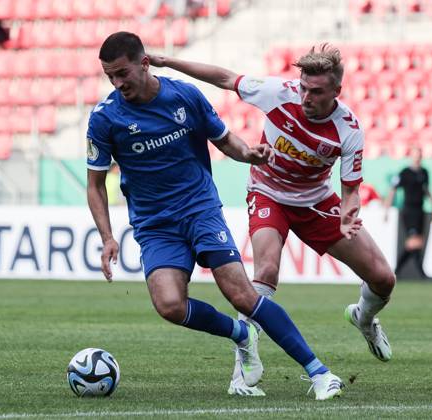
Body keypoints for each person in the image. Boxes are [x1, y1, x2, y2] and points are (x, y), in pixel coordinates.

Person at [86, 31, 345, 400]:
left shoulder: (185, 97)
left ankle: (320, 372)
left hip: (199, 209)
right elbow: (95, 185)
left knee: (242, 294)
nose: (117, 82)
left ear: (144, 63)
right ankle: (241, 335)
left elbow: (225, 140)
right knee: (170, 305)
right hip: (154, 224)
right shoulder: (104, 118)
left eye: (123, 73)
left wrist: (249, 154)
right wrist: (108, 237)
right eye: (110, 76)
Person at [149, 43, 396, 396]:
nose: (307, 97)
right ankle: (241, 372)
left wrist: (347, 214)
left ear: (336, 92)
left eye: (317, 91)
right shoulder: (278, 93)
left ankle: (364, 318)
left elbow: (351, 189)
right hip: (268, 194)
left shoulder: (349, 130)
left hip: (316, 202)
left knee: (383, 279)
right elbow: (224, 77)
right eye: (304, 87)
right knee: (265, 272)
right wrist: (166, 61)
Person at [384, 147, 432, 278]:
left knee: (417, 242)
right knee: (414, 242)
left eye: (419, 155)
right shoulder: (405, 172)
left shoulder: (424, 172)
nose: (417, 157)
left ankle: (397, 271)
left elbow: (426, 189)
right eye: (415, 155)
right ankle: (419, 273)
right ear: (411, 156)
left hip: (420, 210)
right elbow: (393, 189)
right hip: (409, 210)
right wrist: (387, 209)